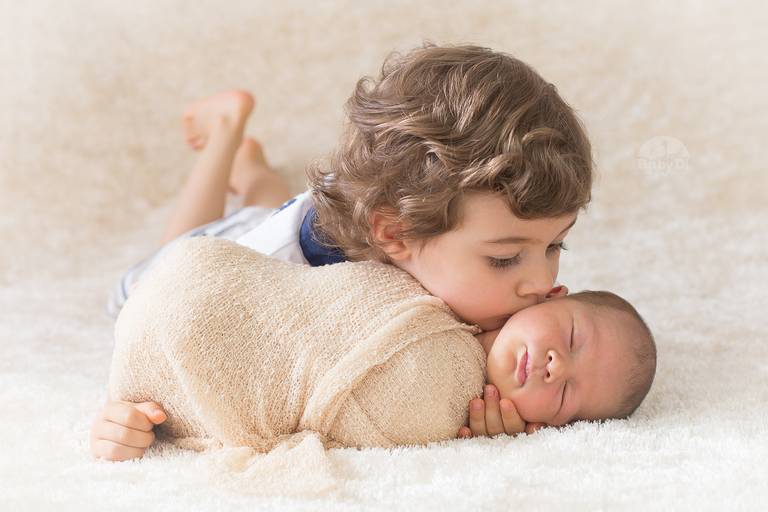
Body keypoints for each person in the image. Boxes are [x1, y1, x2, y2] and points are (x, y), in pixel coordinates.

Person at [92, 43, 595, 461]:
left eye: (555, 244)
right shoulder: (273, 265)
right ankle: (224, 135)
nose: (538, 281)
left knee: (266, 200)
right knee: (157, 265)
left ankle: (256, 173)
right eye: (505, 259)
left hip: (329, 205)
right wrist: (121, 417)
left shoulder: (436, 234)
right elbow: (165, 337)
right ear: (396, 236)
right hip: (220, 258)